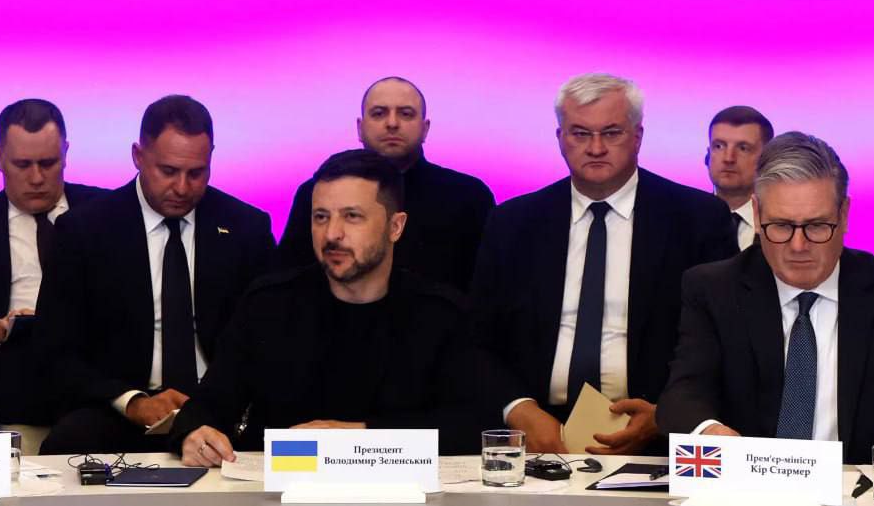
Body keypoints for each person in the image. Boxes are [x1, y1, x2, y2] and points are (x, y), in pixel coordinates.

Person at [656, 132, 874, 464]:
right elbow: (682, 396)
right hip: (750, 486)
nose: (798, 246)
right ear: (757, 214)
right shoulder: (714, 289)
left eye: (816, 226)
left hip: (861, 492)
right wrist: (710, 433)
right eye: (781, 226)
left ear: (843, 215)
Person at [470, 73, 737, 456]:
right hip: (536, 434)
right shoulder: (513, 223)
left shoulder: (698, 219)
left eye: (611, 133)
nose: (596, 148)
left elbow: (721, 339)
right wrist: (518, 409)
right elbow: (477, 340)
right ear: (560, 137)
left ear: (638, 136)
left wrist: (666, 415)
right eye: (580, 134)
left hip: (655, 434)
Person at [172, 149, 481, 465]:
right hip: (281, 482)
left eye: (352, 216)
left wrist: (361, 436)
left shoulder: (440, 314)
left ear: (395, 226)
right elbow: (206, 407)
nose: (332, 234)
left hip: (404, 486)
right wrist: (194, 434)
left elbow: (472, 425)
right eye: (321, 217)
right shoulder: (268, 305)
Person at [37, 95, 275, 454]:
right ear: (138, 155)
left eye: (196, 173)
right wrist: (132, 402)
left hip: (221, 408)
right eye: (168, 171)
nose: (182, 187)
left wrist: (217, 402)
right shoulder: (84, 231)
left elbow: (268, 339)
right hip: (124, 408)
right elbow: (55, 351)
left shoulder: (246, 228)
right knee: (69, 441)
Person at [0, 99, 108, 433]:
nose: (37, 178)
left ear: (66, 153)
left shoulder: (108, 213)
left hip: (101, 401)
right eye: (23, 164)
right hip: (11, 401)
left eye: (48, 163)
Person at [277, 77, 494, 293]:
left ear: (425, 128)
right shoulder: (317, 193)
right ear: (360, 128)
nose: (392, 123)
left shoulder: (470, 196)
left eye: (405, 114)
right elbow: (289, 279)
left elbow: (487, 287)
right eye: (379, 113)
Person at [705, 105, 774, 250]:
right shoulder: (685, 220)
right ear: (708, 155)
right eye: (719, 146)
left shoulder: (781, 224)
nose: (728, 158)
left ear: (767, 159)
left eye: (743, 148)